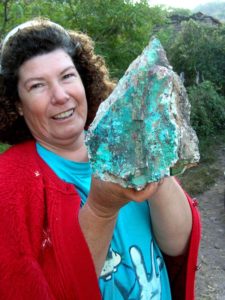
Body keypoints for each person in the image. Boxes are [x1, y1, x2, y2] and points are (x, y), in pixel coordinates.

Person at [0, 18, 201, 300]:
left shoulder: (120, 139)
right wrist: (101, 210)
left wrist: (153, 160)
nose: (60, 96)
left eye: (67, 76)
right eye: (37, 86)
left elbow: (177, 245)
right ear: (18, 105)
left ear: (84, 79)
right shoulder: (8, 181)